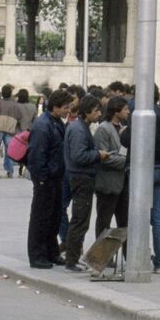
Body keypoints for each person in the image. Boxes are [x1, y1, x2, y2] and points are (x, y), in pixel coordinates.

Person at [122, 87, 160, 274]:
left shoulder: (137, 114)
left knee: (138, 214)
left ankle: (139, 257)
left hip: (140, 169)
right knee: (158, 216)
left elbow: (127, 139)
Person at [25, 90, 73, 269]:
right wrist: (42, 178)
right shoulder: (43, 125)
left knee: (54, 217)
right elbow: (37, 155)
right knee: (41, 218)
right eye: (66, 107)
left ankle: (51, 252)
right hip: (45, 179)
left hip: (56, 177)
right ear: (55, 107)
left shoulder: (57, 122)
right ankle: (37, 255)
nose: (68, 110)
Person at [62, 95, 108, 272]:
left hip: (83, 177)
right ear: (87, 111)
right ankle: (71, 260)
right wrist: (98, 155)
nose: (98, 114)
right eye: (96, 111)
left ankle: (74, 257)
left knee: (82, 219)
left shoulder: (82, 127)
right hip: (81, 178)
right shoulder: (79, 129)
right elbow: (79, 156)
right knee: (80, 220)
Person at [92, 96, 130, 235]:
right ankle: (101, 255)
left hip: (123, 183)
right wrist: (126, 161)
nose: (128, 112)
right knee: (104, 221)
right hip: (108, 183)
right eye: (125, 109)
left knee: (124, 221)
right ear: (116, 111)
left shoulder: (122, 128)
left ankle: (127, 254)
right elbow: (103, 157)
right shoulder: (104, 129)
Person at [0, 84, 28, 178]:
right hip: (10, 130)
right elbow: (19, 117)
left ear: (2, 93)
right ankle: (9, 171)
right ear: (11, 93)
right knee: (9, 151)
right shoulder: (15, 105)